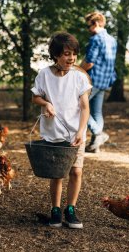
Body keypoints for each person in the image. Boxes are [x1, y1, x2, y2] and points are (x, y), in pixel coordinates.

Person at [31, 32, 91, 228]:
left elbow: (84, 107)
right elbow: (35, 97)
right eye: (66, 54)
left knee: (76, 172)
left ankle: (70, 209)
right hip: (53, 132)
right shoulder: (44, 75)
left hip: (75, 133)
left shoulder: (79, 76)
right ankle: (55, 210)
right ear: (56, 55)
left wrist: (81, 131)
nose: (71, 58)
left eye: (73, 54)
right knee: (57, 173)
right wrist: (46, 103)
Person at [81, 12, 117, 153]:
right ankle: (96, 146)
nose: (88, 29)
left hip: (92, 80)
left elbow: (89, 62)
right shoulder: (112, 40)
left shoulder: (96, 39)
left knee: (79, 106)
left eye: (88, 26)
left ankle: (99, 134)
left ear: (95, 24)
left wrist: (75, 70)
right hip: (105, 80)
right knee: (96, 111)